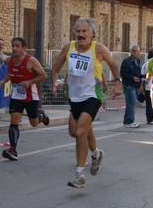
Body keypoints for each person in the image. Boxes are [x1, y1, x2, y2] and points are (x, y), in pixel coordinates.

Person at [50, 18, 122, 188]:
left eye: (84, 31)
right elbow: (55, 67)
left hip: (93, 95)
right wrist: (54, 81)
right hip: (74, 96)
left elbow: (113, 65)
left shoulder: (98, 49)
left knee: (80, 131)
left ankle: (79, 174)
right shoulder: (68, 48)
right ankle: (96, 153)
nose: (81, 35)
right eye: (78, 31)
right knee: (81, 130)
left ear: (92, 33)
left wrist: (118, 83)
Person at [0, 37, 50, 160]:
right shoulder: (9, 60)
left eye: (17, 46)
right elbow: (11, 73)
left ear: (23, 48)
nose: (14, 48)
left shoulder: (31, 61)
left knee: (34, 122)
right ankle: (12, 150)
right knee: (14, 121)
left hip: (31, 96)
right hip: (16, 95)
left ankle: (41, 114)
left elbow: (43, 75)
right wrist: (3, 81)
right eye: (13, 46)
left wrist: (29, 82)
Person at [120, 45, 142, 128]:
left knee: (131, 103)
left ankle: (126, 120)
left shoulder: (137, 61)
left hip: (136, 85)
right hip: (129, 85)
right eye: (136, 51)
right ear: (132, 52)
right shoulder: (126, 61)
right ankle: (130, 121)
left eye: (139, 51)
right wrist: (132, 77)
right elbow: (123, 73)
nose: (138, 53)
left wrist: (140, 84)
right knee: (132, 102)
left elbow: (138, 72)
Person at [141, 48, 153, 124]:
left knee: (149, 103)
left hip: (147, 86)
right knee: (152, 103)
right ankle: (151, 117)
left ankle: (150, 117)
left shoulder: (145, 63)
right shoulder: (152, 63)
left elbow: (142, 73)